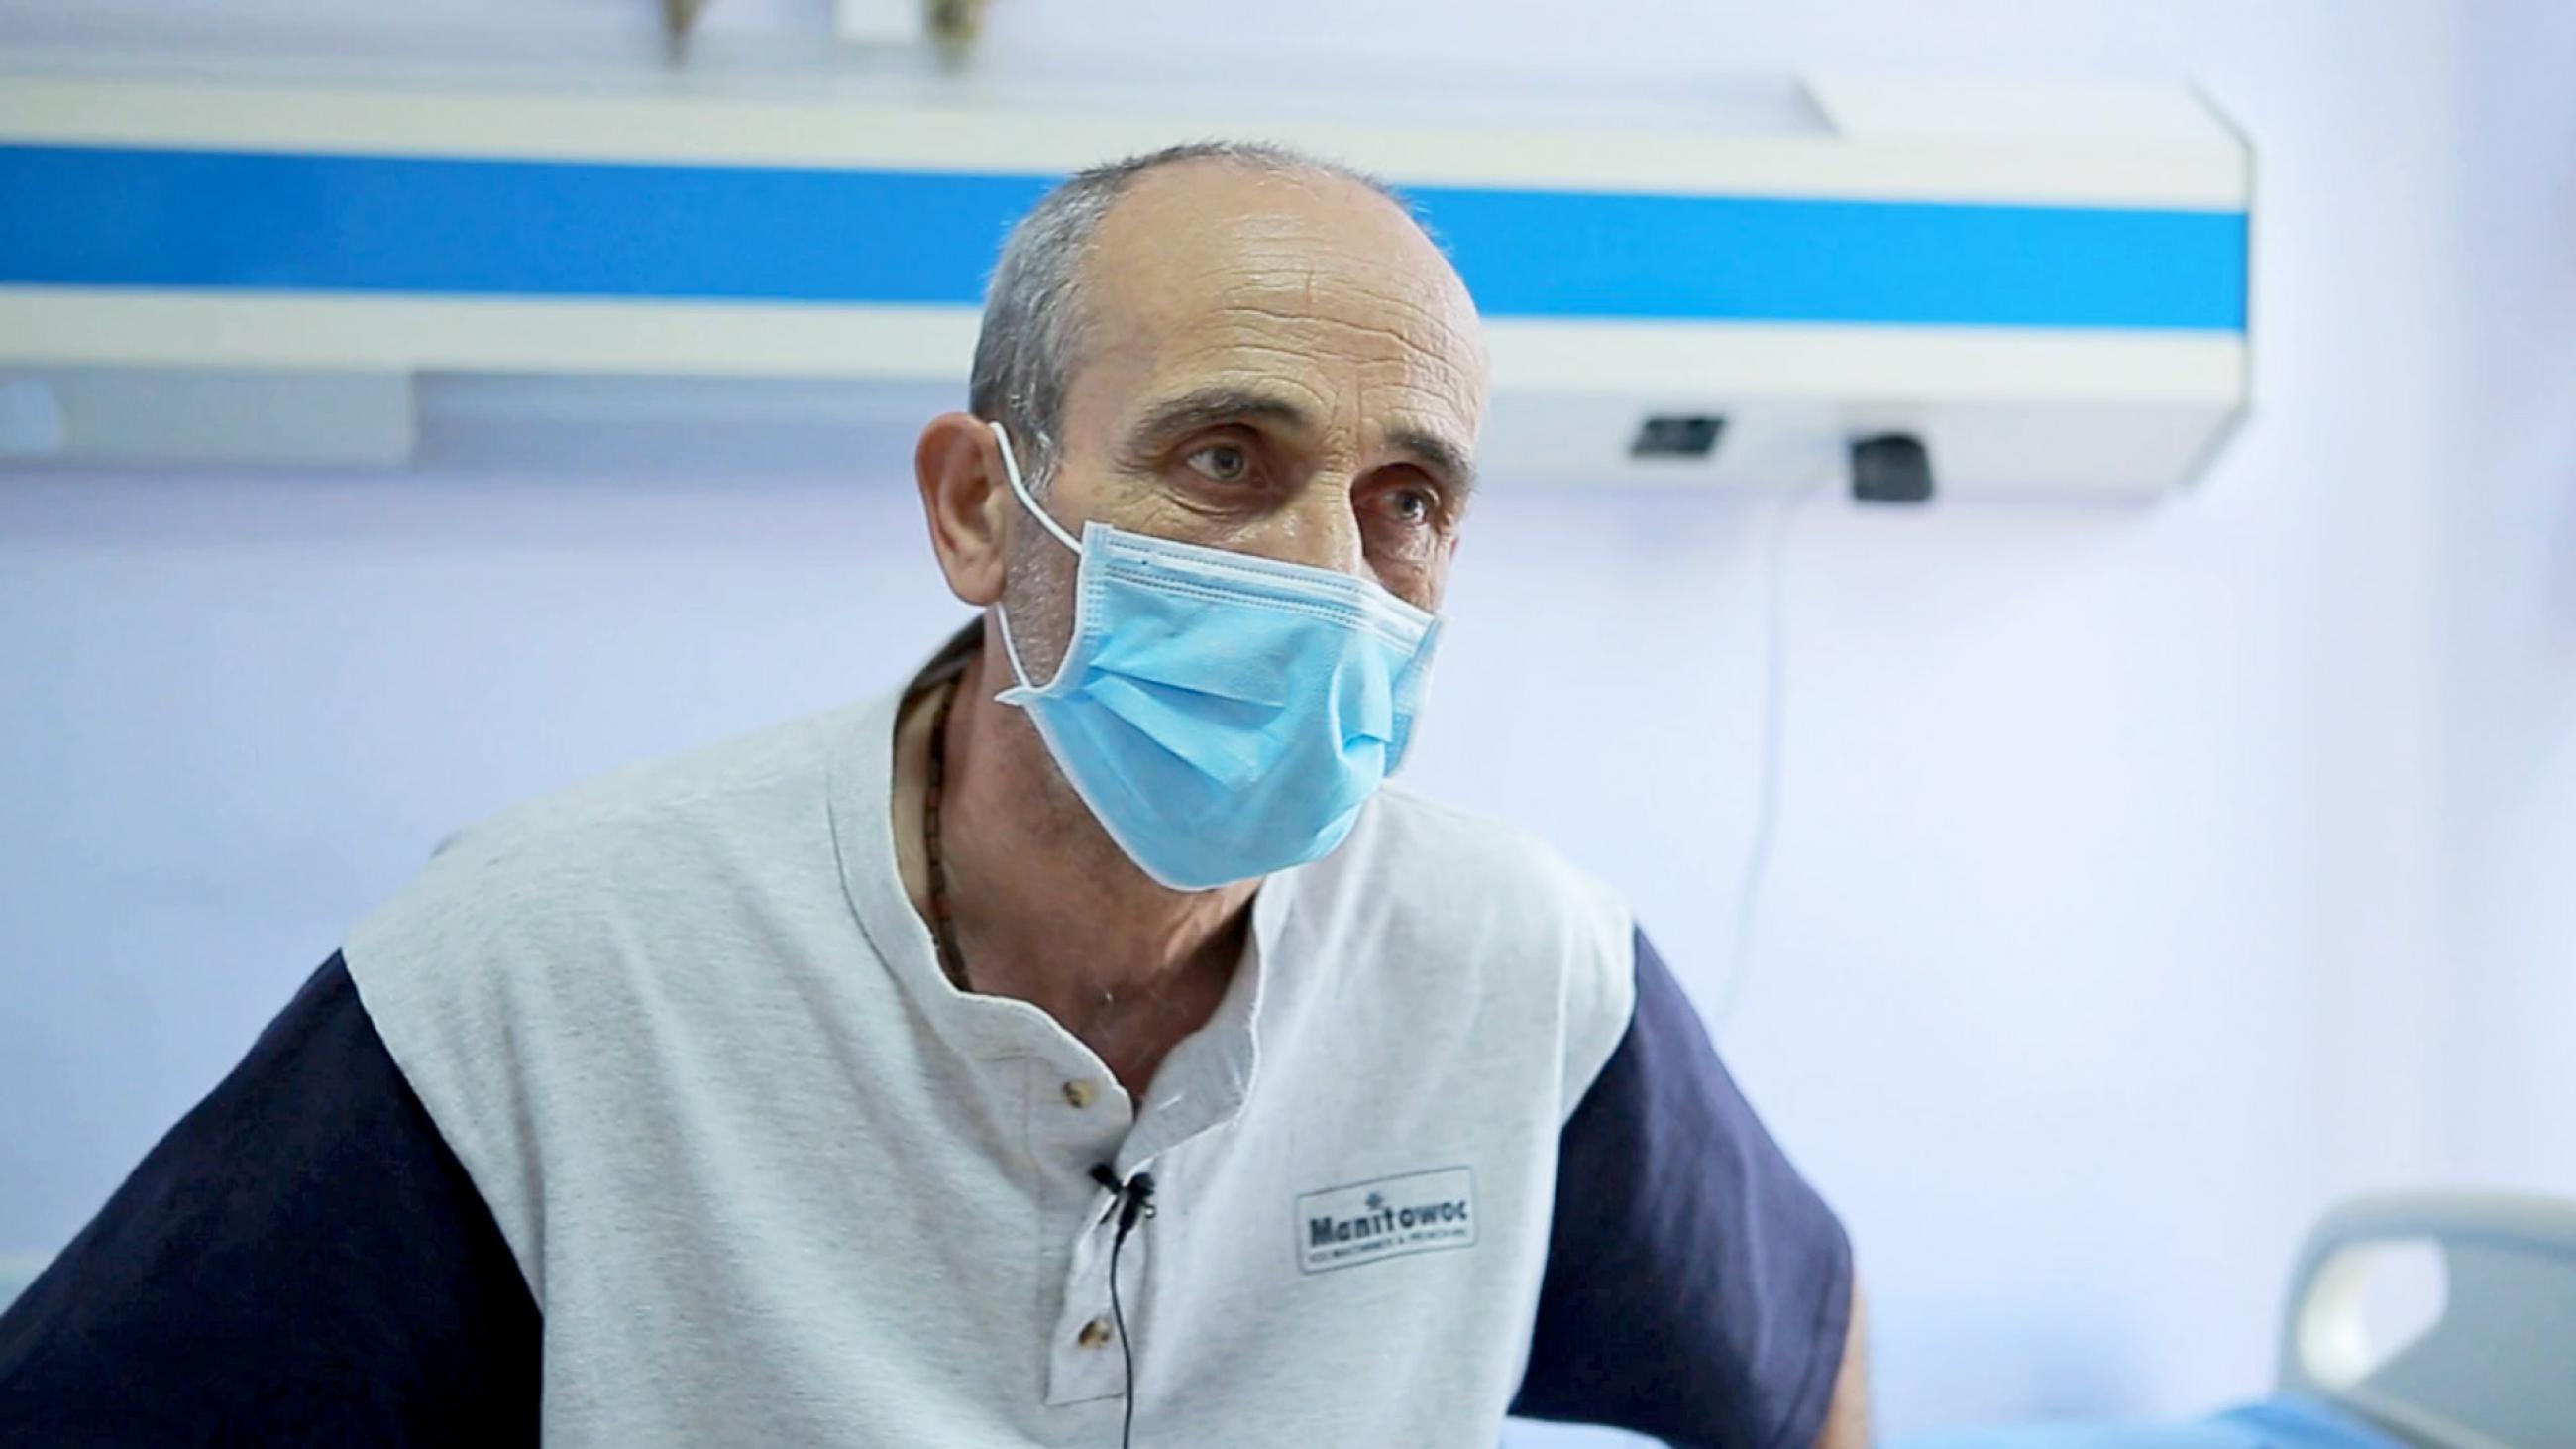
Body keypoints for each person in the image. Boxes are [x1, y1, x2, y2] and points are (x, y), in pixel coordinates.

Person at [0, 141, 1869, 1447]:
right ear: (983, 510)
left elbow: (1801, 1350)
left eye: (1409, 503)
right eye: (1226, 458)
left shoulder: (1518, 969)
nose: (1329, 575)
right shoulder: (547, 971)